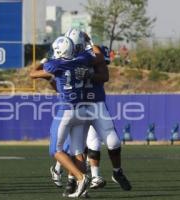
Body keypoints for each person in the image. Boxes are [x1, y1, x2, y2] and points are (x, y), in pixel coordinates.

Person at [51, 28, 131, 194]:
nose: (75, 49)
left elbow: (103, 73)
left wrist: (88, 73)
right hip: (78, 105)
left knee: (112, 142)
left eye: (78, 45)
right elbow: (52, 76)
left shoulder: (91, 53)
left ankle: (116, 172)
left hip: (95, 103)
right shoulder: (63, 55)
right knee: (76, 147)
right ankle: (73, 181)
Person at [30, 36, 95, 198]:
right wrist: (88, 40)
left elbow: (33, 73)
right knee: (78, 150)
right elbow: (91, 53)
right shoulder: (82, 60)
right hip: (82, 111)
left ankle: (81, 178)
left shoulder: (55, 64)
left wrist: (43, 59)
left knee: (55, 150)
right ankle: (83, 189)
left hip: (66, 110)